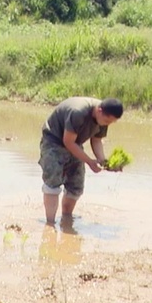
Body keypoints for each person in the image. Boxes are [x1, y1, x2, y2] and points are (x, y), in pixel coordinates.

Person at [39, 96, 124, 225]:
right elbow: (68, 142)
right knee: (52, 183)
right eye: (107, 121)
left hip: (75, 143)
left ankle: (66, 219)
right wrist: (90, 161)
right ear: (99, 110)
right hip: (54, 141)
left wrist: (103, 162)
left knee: (76, 186)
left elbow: (96, 140)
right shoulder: (78, 112)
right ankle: (50, 224)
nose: (108, 124)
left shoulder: (103, 118)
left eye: (111, 122)